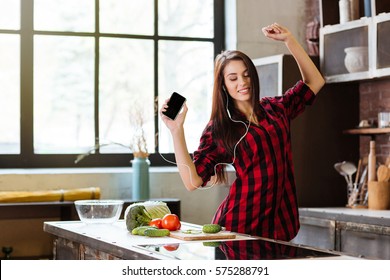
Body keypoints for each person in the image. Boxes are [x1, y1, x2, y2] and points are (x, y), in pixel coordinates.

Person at [160, 23, 325, 241]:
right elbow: (193, 182)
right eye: (233, 78)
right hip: (238, 227)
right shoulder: (221, 128)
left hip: (280, 225)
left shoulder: (276, 108)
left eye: (246, 75)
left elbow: (315, 81)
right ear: (223, 85)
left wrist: (289, 40)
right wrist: (176, 130)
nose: (243, 82)